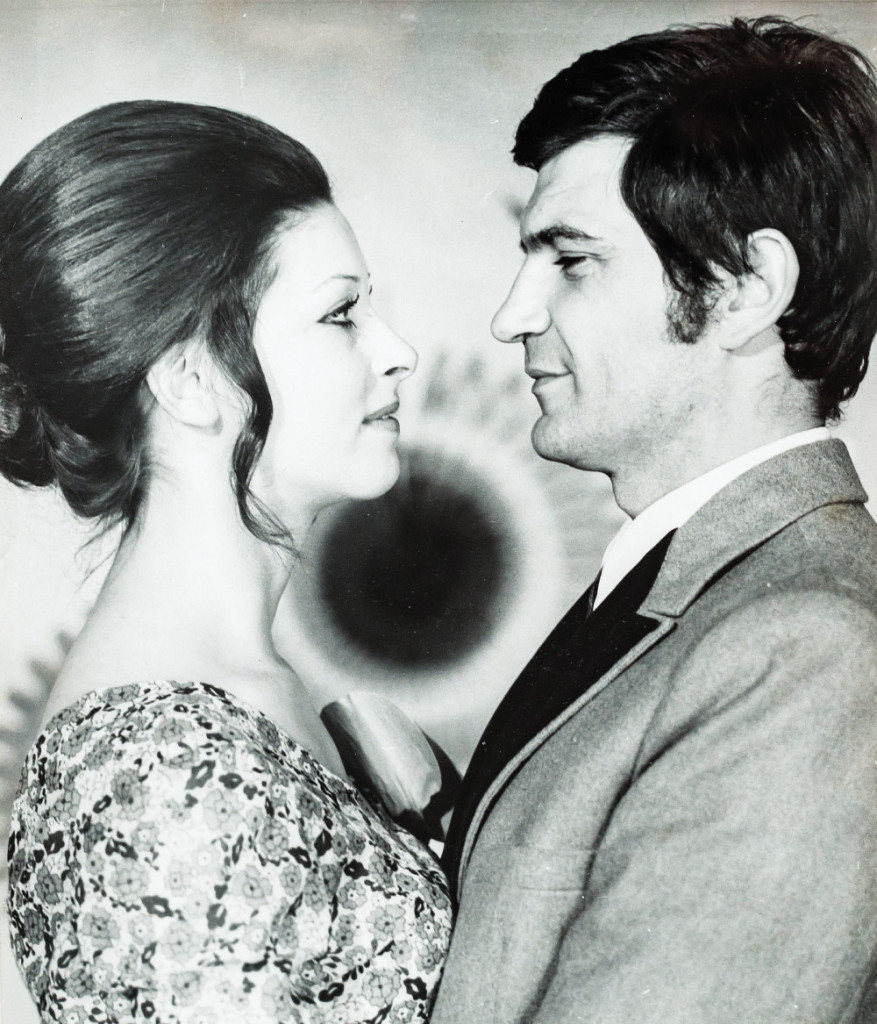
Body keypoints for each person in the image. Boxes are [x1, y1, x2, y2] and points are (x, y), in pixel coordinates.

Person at [432, 16, 877, 1024]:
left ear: (743, 291)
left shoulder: (808, 648)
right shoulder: (697, 587)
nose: (510, 316)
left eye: (570, 261)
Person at [1, 101, 451, 1024]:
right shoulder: (156, 772)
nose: (397, 353)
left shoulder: (242, 695)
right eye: (341, 314)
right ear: (191, 380)